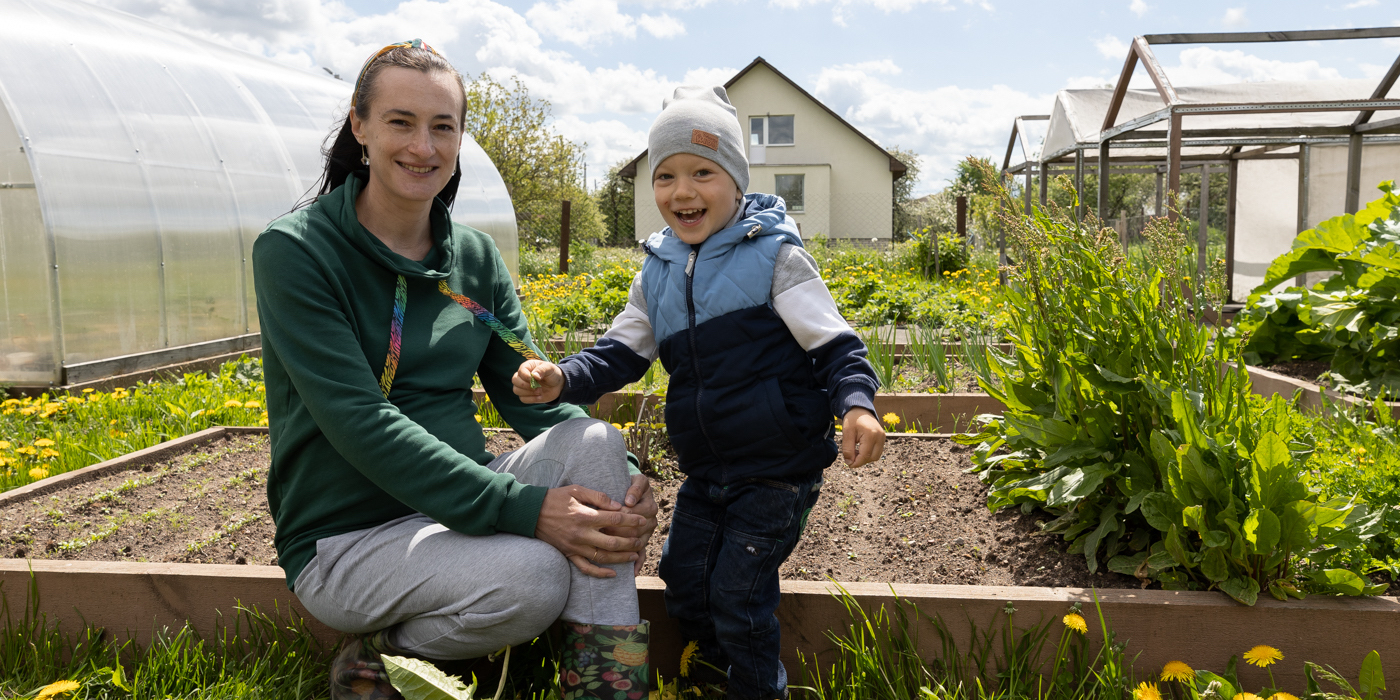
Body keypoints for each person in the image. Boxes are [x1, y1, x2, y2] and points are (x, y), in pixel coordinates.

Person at [252, 39, 658, 700]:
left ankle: (606, 686)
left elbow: (533, 396)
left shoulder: (471, 257)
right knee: (533, 578)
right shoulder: (297, 252)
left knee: (596, 443)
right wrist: (521, 508)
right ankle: (386, 656)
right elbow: (360, 421)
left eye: (443, 127)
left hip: (453, 511)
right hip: (347, 536)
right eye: (400, 122)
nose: (423, 146)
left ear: (461, 137)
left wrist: (630, 482)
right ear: (359, 126)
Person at [514, 85, 886, 700]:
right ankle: (712, 677)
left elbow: (834, 344)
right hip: (706, 471)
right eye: (666, 176)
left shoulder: (773, 257)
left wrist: (857, 404)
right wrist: (563, 378)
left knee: (738, 596)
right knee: (684, 583)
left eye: (702, 173)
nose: (682, 191)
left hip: (775, 469)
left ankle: (756, 689)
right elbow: (620, 354)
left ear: (736, 181)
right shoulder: (656, 270)